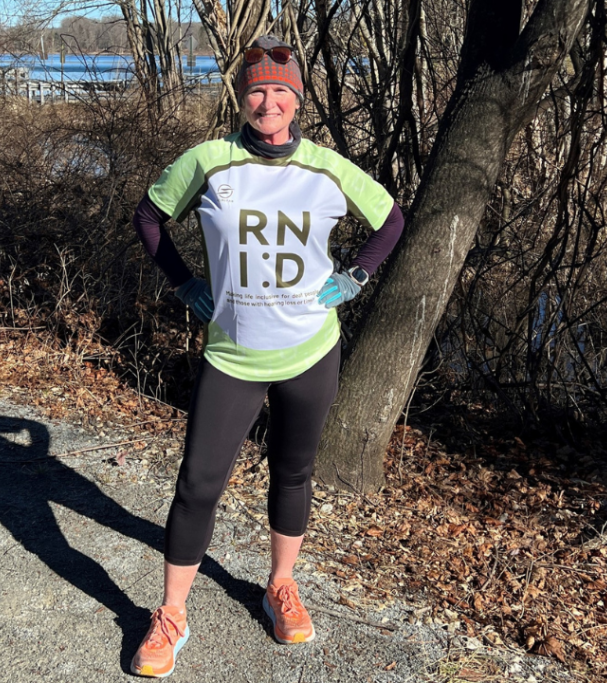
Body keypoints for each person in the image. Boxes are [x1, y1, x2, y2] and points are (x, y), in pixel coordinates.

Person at [130, 35, 404, 677]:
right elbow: (148, 216)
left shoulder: (327, 168)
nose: (268, 100)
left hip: (311, 351)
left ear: (298, 100)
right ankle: (171, 615)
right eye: (257, 88)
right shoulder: (209, 161)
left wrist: (356, 277)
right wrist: (183, 282)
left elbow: (391, 220)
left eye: (281, 90)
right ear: (241, 96)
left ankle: (280, 584)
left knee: (294, 472)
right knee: (198, 484)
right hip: (231, 355)